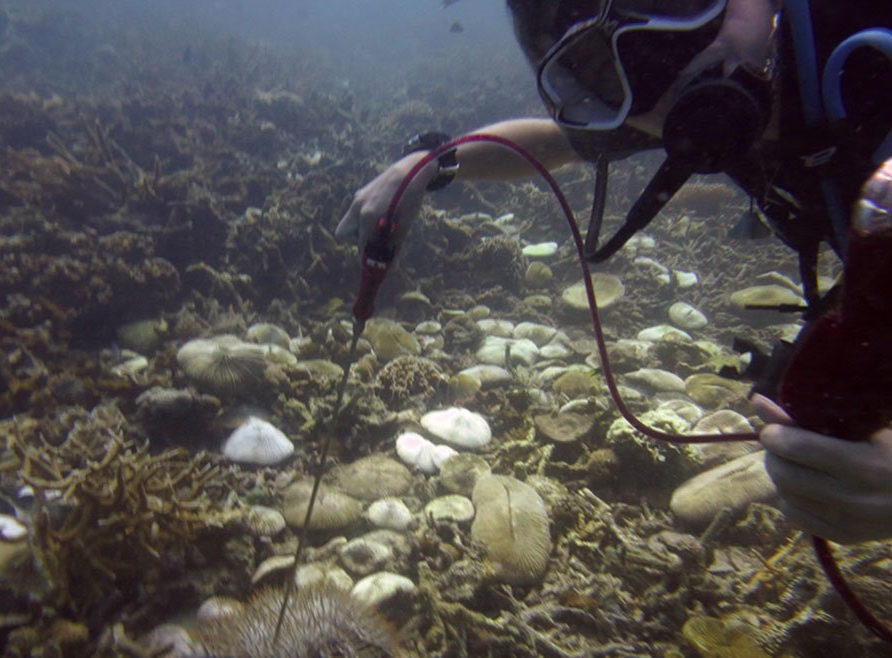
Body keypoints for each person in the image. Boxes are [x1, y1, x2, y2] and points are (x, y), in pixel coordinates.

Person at [336, 0, 892, 543]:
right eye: (600, 73)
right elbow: (554, 142)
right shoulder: (677, 103)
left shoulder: (867, 42)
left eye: (668, 14)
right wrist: (431, 163)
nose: (671, 79)